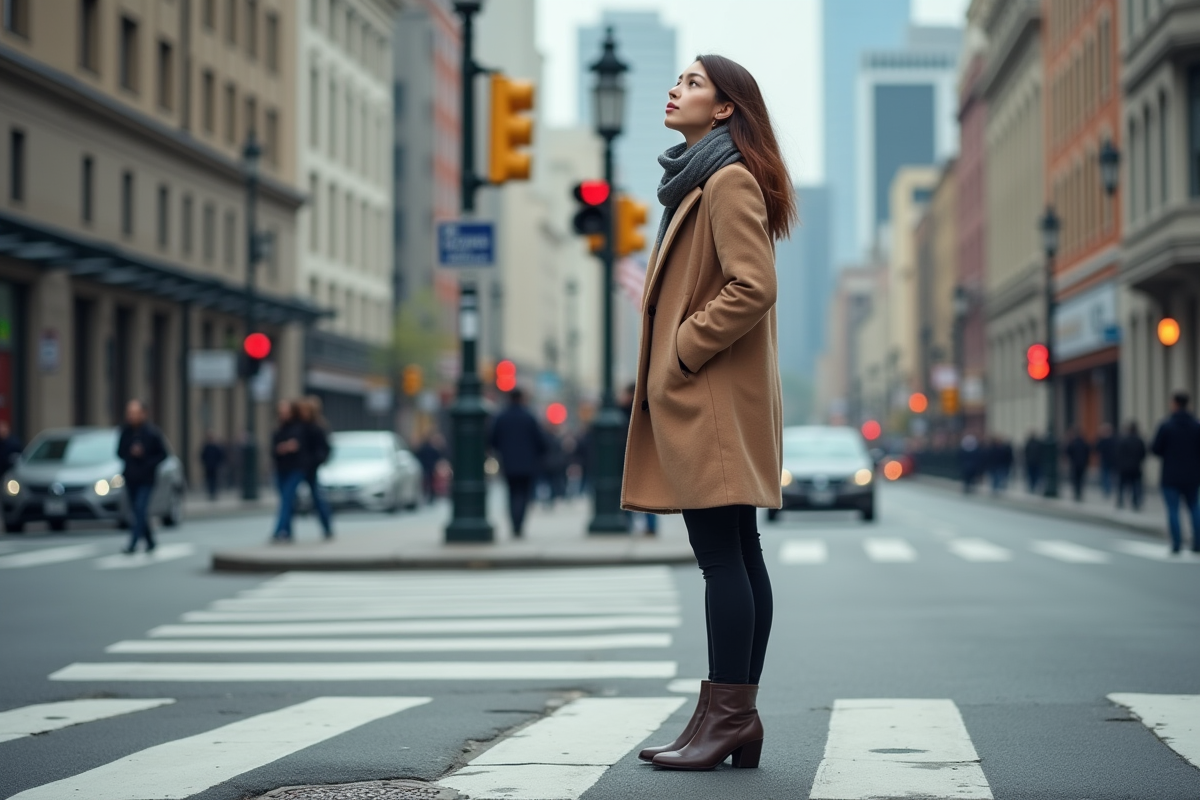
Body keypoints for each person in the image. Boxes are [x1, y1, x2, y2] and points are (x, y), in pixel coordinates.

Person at [625, 54, 796, 771]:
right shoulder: (705, 178)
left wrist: (684, 351)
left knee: (722, 559)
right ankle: (728, 716)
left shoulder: (724, 180)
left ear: (726, 108)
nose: (675, 89)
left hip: (712, 400)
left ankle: (727, 718)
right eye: (680, 80)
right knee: (739, 555)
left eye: (693, 83)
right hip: (716, 398)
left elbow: (754, 285)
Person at [488, 387, 545, 538]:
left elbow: (492, 440)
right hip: (527, 464)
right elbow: (541, 441)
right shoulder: (529, 417)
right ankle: (519, 525)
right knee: (524, 495)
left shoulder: (501, 417)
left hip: (508, 463)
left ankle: (515, 524)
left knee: (512, 494)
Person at [1151, 392, 1200, 554]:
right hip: (1193, 475)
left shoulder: (1166, 425)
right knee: (1194, 508)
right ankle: (1197, 543)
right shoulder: (1196, 425)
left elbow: (1155, 449)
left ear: (1175, 404)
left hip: (1171, 475)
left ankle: (1177, 544)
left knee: (1173, 510)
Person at [116, 400, 167, 554]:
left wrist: (145, 458)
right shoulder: (125, 432)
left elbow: (162, 454)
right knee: (138, 512)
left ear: (143, 414)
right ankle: (150, 540)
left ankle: (133, 542)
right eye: (129, 413)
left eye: (135, 413)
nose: (131, 416)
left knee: (140, 508)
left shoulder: (152, 432)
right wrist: (130, 452)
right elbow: (119, 452)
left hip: (146, 479)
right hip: (131, 478)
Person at [270, 400, 307, 542]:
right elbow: (274, 449)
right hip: (281, 469)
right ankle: (288, 532)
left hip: (295, 468)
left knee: (286, 499)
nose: (283, 414)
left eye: (285, 411)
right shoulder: (279, 428)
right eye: (281, 412)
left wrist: (286, 447)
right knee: (287, 501)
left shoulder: (298, 427)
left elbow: (298, 446)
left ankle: (279, 531)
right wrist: (284, 447)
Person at [297, 396, 333, 539]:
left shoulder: (318, 427)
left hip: (310, 468)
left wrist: (316, 461)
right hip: (297, 467)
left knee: (318, 498)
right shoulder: (298, 426)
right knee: (289, 499)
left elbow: (324, 449)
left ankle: (327, 527)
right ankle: (284, 530)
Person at [1115, 421, 1146, 511]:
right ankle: (1135, 501)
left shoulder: (1123, 440)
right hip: (1136, 466)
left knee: (1122, 485)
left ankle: (1120, 501)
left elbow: (1118, 454)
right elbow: (1143, 453)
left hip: (1124, 467)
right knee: (1136, 485)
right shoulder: (1139, 440)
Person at [415, 432, 447, 504]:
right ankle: (430, 495)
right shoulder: (433, 449)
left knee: (427, 482)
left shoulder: (424, 448)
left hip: (425, 467)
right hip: (430, 467)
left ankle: (428, 495)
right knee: (429, 481)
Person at [1066, 428, 1091, 502]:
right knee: (1081, 479)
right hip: (1082, 464)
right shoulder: (1084, 443)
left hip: (1074, 464)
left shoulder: (1073, 443)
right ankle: (1079, 493)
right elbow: (1088, 452)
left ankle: (1076, 493)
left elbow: (1068, 451)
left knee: (1075, 479)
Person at [199, 433, 225, 501]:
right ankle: (210, 492)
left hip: (214, 466)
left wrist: (218, 463)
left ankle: (213, 492)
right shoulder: (206, 447)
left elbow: (220, 456)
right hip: (208, 466)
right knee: (209, 479)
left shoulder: (215, 447)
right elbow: (202, 456)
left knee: (214, 480)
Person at [1095, 423, 1117, 499]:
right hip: (1109, 460)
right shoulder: (1113, 439)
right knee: (1108, 475)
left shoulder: (1104, 440)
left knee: (1106, 475)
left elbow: (1096, 448)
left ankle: (1107, 489)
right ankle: (1108, 489)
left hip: (1107, 460)